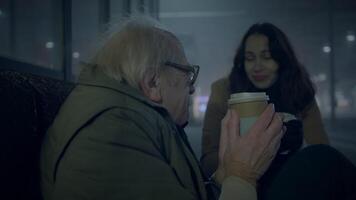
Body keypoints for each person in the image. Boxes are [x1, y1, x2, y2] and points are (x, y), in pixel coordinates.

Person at [40, 17, 356, 200]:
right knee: (322, 164)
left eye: (268, 56)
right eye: (186, 73)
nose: (193, 86)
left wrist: (226, 176)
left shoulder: (136, 116)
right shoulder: (111, 131)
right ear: (152, 83)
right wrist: (242, 173)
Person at [201, 23, 331, 196]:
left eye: (267, 56)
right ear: (242, 61)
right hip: (241, 184)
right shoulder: (224, 90)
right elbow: (207, 159)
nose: (257, 66)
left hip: (293, 183)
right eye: (249, 58)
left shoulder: (299, 89)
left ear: (282, 59)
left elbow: (320, 150)